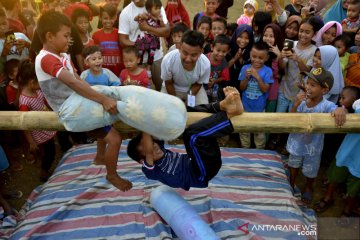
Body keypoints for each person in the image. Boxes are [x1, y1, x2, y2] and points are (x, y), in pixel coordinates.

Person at [35, 10, 132, 191]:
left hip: (77, 100)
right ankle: (112, 175)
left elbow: (77, 78)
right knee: (116, 138)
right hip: (69, 108)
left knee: (108, 96)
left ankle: (100, 156)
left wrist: (98, 94)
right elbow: (71, 81)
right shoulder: (45, 59)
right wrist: (102, 99)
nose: (69, 40)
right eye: (65, 36)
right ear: (49, 36)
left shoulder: (62, 56)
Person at [127, 87, 243, 191]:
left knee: (181, 113)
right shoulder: (151, 171)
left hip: (201, 159)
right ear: (143, 161)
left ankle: (220, 105)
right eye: (149, 149)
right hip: (201, 172)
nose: (154, 147)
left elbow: (156, 129)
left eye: (153, 143)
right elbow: (147, 145)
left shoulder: (159, 148)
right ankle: (229, 115)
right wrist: (143, 122)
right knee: (192, 136)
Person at [287, 67, 347, 205]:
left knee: (311, 168)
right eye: (307, 83)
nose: (307, 87)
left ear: (324, 90)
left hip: (313, 146)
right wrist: (296, 104)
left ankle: (308, 186)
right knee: (294, 163)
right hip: (297, 141)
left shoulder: (326, 105)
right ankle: (291, 182)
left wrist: (340, 109)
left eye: (313, 85)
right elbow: (290, 118)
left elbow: (336, 109)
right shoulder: (301, 101)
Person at [314, 94, 360, 227]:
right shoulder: (359, 103)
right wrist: (342, 109)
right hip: (347, 151)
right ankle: (328, 198)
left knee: (354, 188)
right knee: (334, 177)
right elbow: (347, 108)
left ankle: (348, 210)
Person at [17, 60, 57, 181]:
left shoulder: (37, 90)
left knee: (49, 150)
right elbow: (25, 125)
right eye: (40, 80)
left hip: (46, 127)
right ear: (31, 82)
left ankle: (44, 163)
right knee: (49, 153)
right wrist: (31, 142)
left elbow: (45, 102)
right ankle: (44, 172)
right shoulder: (24, 102)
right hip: (38, 134)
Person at [118, 0, 170, 91]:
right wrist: (141, 45)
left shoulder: (156, 5)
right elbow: (123, 40)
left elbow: (167, 32)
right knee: (138, 92)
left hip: (157, 57)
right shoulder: (126, 12)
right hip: (137, 60)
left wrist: (147, 28)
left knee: (163, 88)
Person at [277, 17, 318, 113]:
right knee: (279, 117)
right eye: (301, 31)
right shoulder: (292, 44)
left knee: (293, 119)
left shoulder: (314, 50)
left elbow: (307, 72)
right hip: (284, 89)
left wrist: (297, 59)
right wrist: (280, 57)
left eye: (307, 32)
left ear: (314, 34)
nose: (303, 35)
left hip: (299, 93)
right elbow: (282, 67)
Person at [161, 30, 210, 106]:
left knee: (202, 110)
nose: (188, 59)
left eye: (193, 55)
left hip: (193, 90)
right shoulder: (168, 60)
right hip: (172, 89)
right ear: (180, 48)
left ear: (201, 52)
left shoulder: (205, 64)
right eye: (185, 53)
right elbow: (169, 83)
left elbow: (198, 84)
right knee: (163, 111)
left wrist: (189, 100)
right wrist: (177, 103)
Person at [239, 42, 273, 149]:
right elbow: (241, 88)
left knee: (259, 133)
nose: (257, 60)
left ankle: (259, 151)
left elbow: (264, 90)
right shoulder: (245, 68)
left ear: (266, 58)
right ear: (250, 55)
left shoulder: (268, 71)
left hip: (260, 108)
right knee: (244, 131)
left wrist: (257, 77)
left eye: (261, 58)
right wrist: (246, 78)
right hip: (245, 107)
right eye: (254, 56)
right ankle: (245, 149)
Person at [134, 0, 165, 76]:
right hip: (144, 40)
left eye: (159, 8)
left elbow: (164, 29)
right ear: (149, 10)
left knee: (151, 54)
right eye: (156, 8)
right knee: (140, 53)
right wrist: (139, 16)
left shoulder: (159, 18)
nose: (159, 10)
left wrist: (161, 21)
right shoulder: (146, 16)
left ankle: (148, 69)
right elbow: (135, 19)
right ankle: (140, 67)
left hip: (153, 41)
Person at [93, 4, 123, 77]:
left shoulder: (120, 33)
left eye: (111, 18)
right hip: (103, 73)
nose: (108, 21)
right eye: (105, 18)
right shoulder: (96, 35)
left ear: (116, 17)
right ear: (100, 18)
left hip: (119, 72)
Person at [262, 23, 283, 113]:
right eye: (265, 35)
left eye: (271, 36)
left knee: (269, 115)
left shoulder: (280, 53)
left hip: (272, 91)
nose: (267, 39)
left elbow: (279, 73)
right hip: (259, 90)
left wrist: (279, 56)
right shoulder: (260, 49)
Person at [204, 34, 231, 103]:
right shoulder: (204, 58)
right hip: (202, 84)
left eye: (224, 52)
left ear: (228, 51)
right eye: (218, 50)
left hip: (215, 85)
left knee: (217, 94)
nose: (221, 54)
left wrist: (214, 81)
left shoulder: (224, 62)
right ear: (212, 47)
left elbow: (224, 77)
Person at [228, 25, 254, 89]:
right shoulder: (229, 49)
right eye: (240, 36)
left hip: (245, 87)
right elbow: (224, 68)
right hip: (228, 85)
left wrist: (242, 59)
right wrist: (235, 58)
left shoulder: (252, 51)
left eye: (247, 38)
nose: (243, 40)